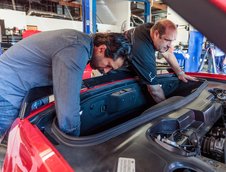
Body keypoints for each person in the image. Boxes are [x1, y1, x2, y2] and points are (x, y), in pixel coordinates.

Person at [0, 29, 131, 139]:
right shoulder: (76, 49)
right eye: (108, 65)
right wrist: (73, 139)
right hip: (7, 88)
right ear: (102, 49)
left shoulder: (82, 43)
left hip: (27, 88)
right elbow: (67, 101)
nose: (106, 71)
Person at [124, 19, 197, 103]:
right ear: (156, 34)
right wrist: (168, 109)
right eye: (167, 40)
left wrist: (180, 73)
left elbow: (167, 53)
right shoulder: (142, 50)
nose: (170, 45)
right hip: (117, 75)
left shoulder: (150, 28)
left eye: (172, 40)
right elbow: (155, 91)